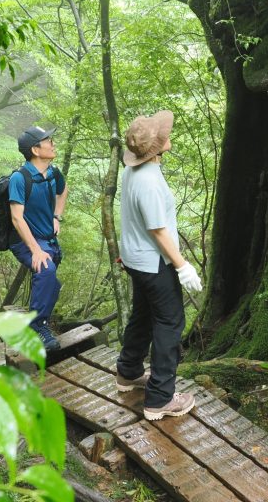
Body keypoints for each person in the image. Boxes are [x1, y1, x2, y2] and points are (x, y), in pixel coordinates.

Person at [114, 110, 203, 421]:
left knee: (143, 313)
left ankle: (128, 371)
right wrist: (182, 266)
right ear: (159, 146)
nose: (169, 137)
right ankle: (161, 399)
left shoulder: (134, 173)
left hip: (135, 259)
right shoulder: (149, 181)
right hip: (154, 262)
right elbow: (157, 230)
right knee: (169, 322)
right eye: (165, 136)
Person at [9, 125, 68, 353]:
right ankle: (36, 327)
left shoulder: (53, 173)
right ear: (35, 149)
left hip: (47, 238)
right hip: (24, 240)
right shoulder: (20, 178)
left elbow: (63, 191)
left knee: (51, 281)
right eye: (47, 140)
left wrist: (56, 216)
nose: (52, 143)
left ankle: (40, 319)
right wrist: (35, 250)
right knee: (45, 269)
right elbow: (16, 218)